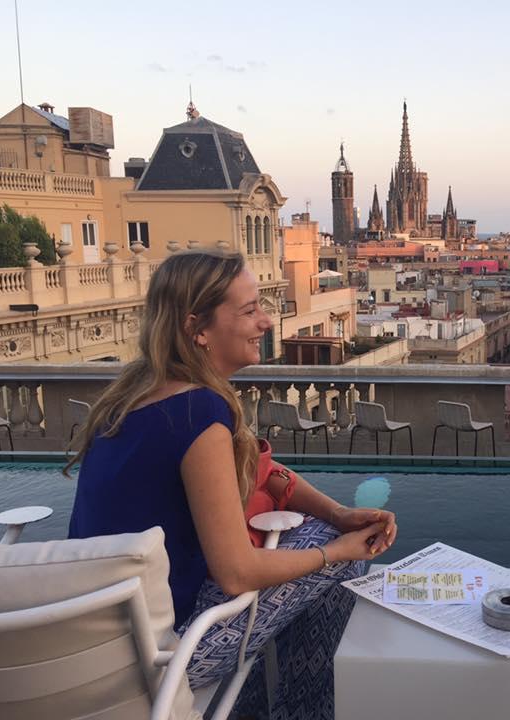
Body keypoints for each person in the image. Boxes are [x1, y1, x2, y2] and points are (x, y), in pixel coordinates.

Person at [67, 250, 397, 720]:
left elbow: (260, 469)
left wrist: (339, 513)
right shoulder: (199, 413)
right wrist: (338, 550)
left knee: (322, 532)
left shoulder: (135, 395)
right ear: (197, 329)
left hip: (98, 640)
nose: (266, 321)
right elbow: (236, 574)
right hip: (163, 655)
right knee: (331, 557)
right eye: (249, 311)